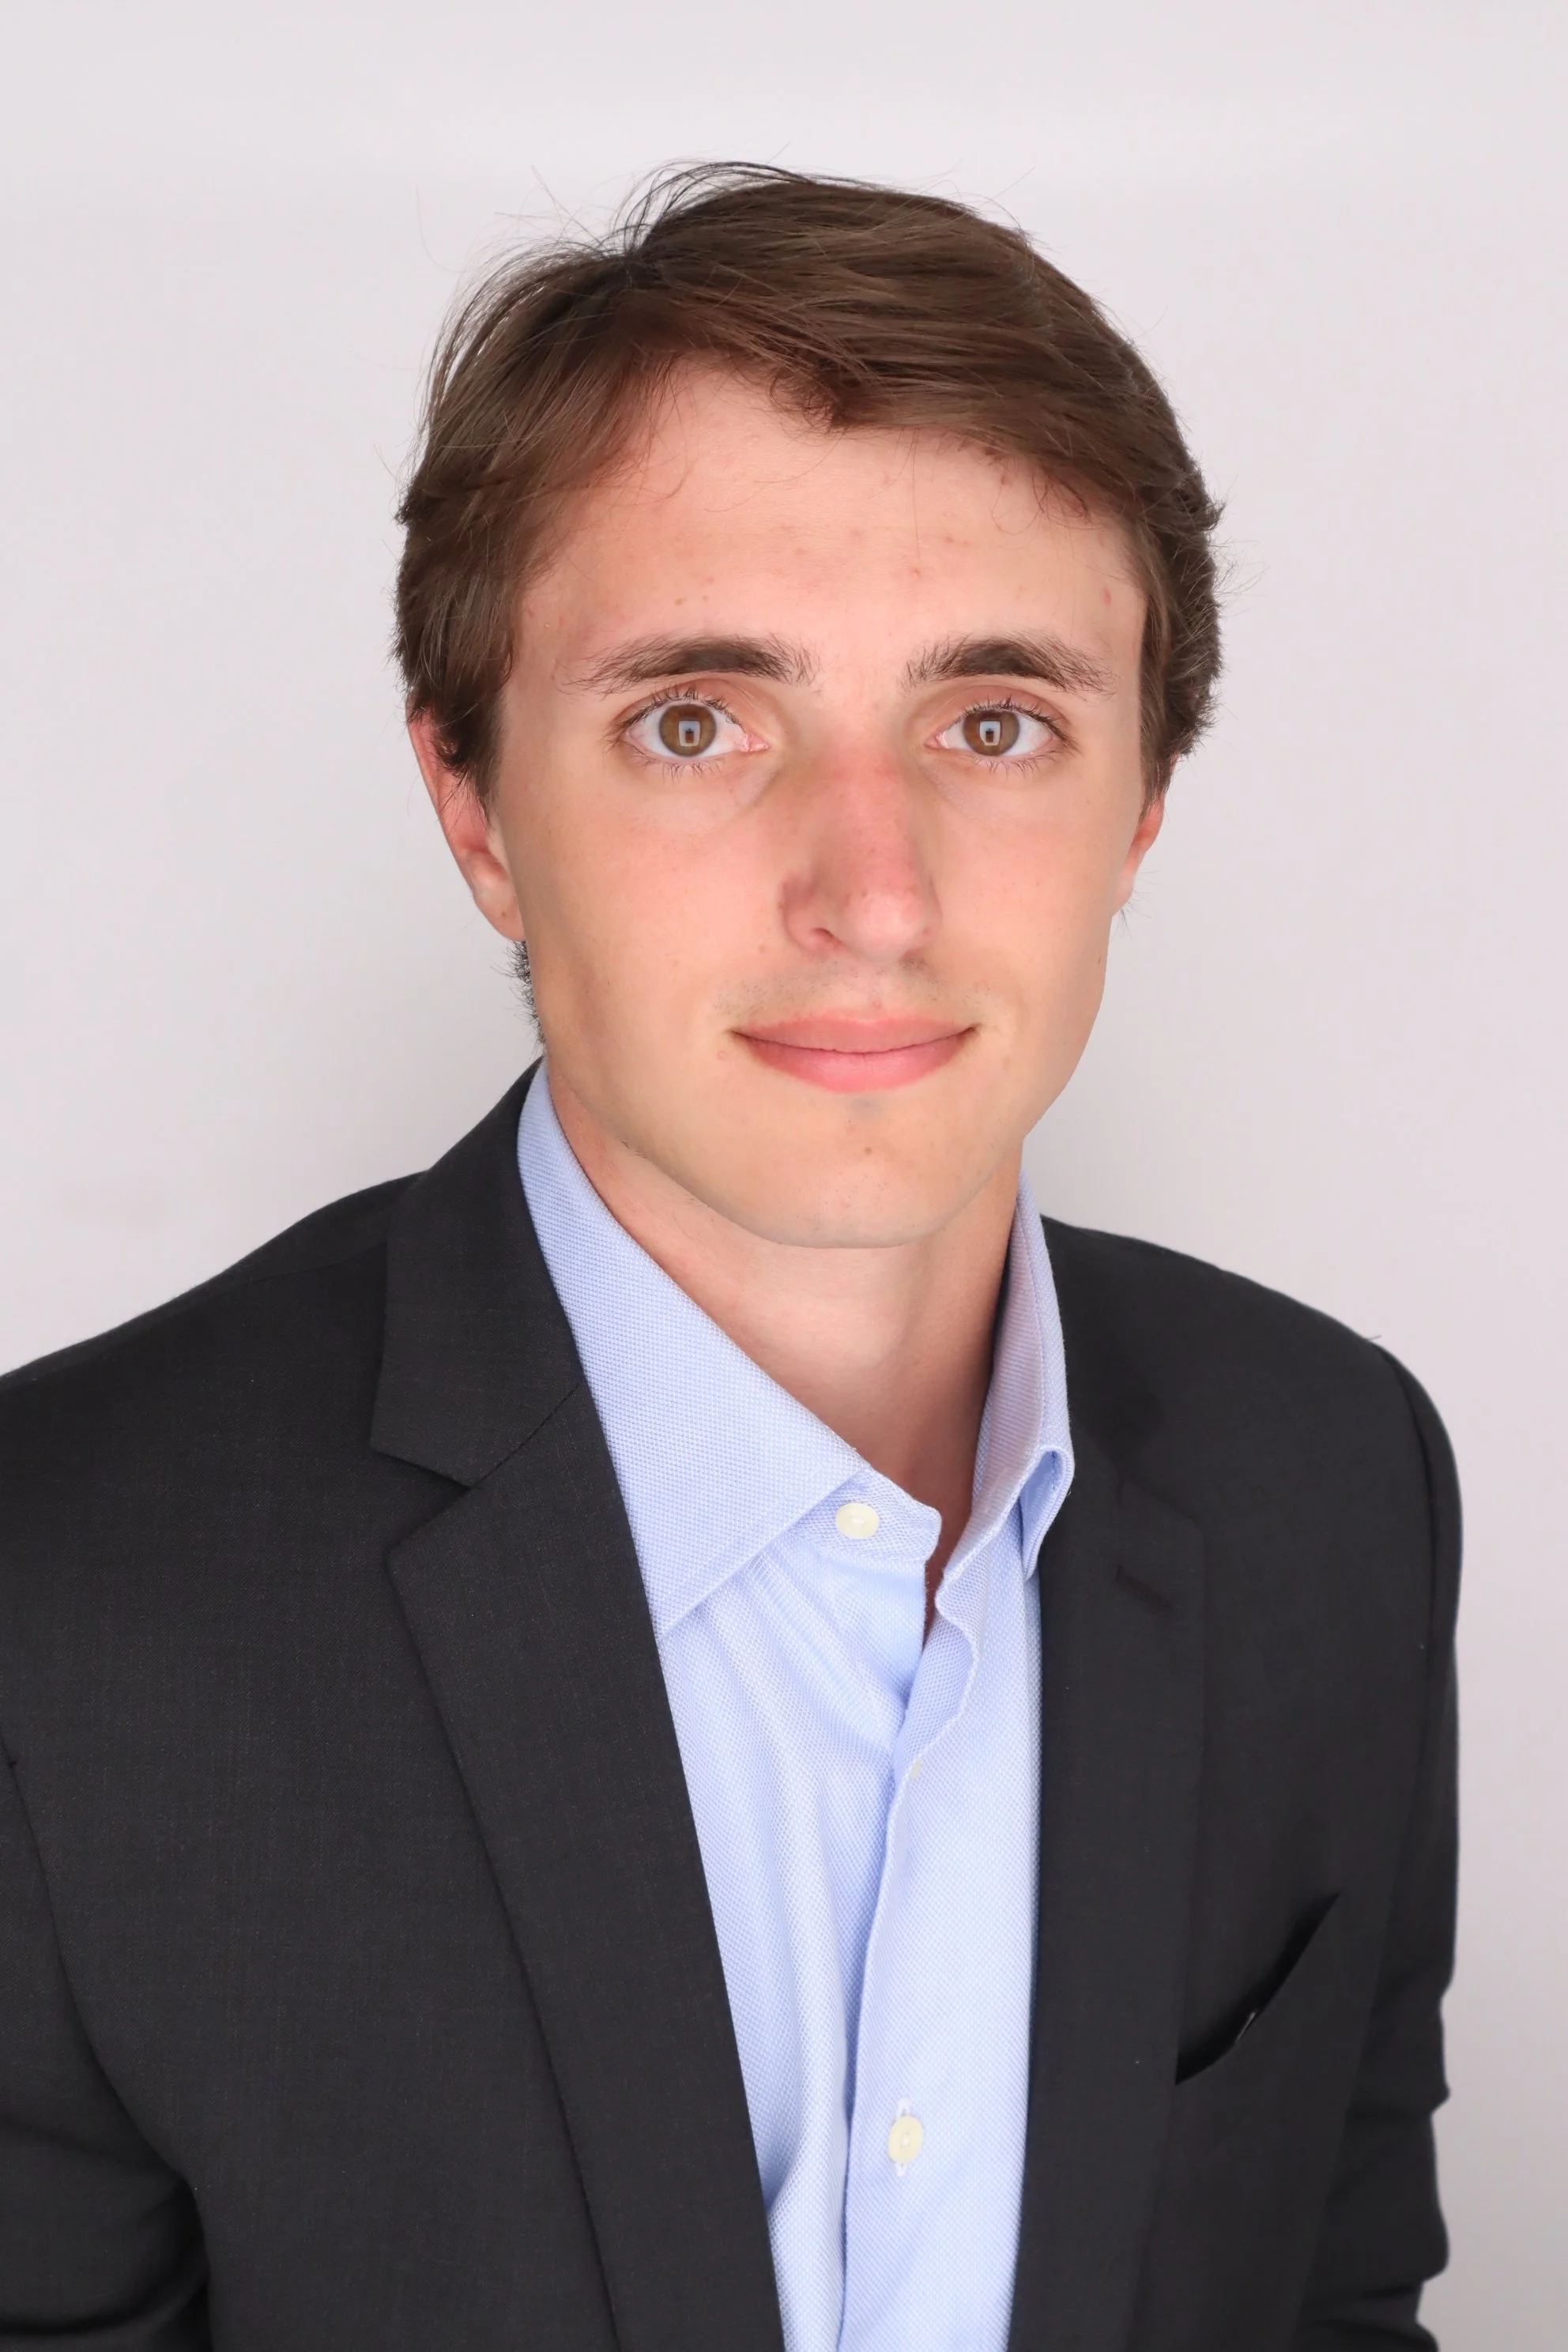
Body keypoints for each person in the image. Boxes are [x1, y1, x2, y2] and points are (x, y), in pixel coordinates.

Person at [0, 165, 1457, 2352]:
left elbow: (1334, 2298)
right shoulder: (61, 1589)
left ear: (1143, 802)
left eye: (996, 724)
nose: (871, 893)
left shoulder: (1336, 1476)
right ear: (478, 810)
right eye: (699, 720)